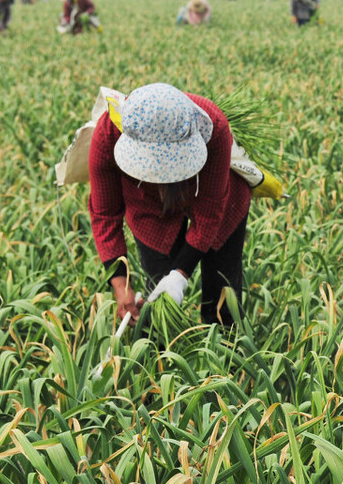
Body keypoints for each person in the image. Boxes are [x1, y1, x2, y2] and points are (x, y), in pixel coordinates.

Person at [88, 83, 252, 327]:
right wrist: (121, 286)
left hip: (212, 194)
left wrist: (179, 275)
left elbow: (209, 214)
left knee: (222, 293)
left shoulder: (213, 126)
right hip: (146, 201)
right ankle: (162, 352)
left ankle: (225, 347)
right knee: (158, 300)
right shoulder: (108, 133)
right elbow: (105, 214)